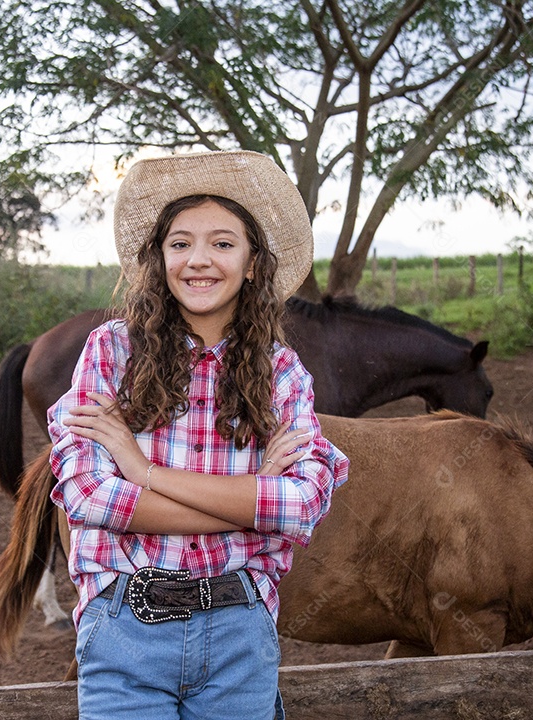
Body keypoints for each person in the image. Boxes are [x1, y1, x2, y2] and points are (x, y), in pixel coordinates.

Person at [47, 150, 349, 720]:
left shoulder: (281, 371)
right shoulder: (111, 352)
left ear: (253, 262)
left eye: (223, 243)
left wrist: (143, 472)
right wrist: (253, 495)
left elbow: (303, 503)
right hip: (124, 630)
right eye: (180, 243)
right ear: (159, 258)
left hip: (239, 632)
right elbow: (90, 497)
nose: (199, 260)